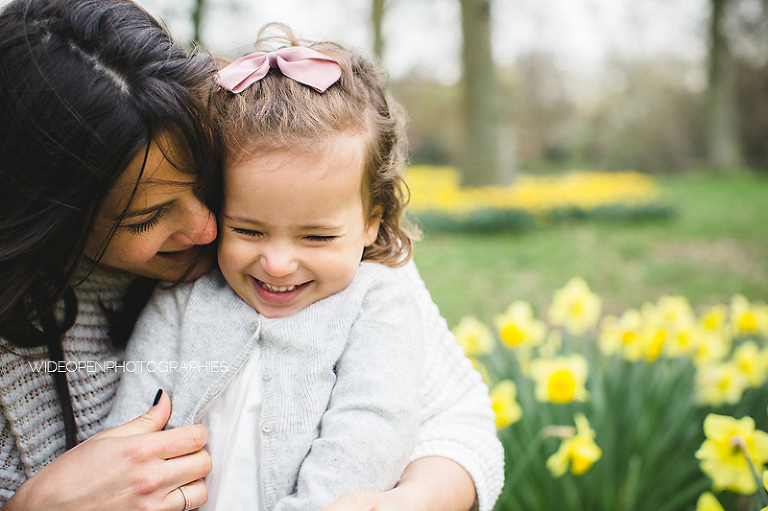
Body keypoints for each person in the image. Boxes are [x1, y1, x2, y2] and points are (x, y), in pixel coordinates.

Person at [0, 0, 502, 509]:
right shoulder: (181, 300)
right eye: (146, 217)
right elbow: (137, 426)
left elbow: (450, 426)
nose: (206, 228)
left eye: (207, 184)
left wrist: (411, 499)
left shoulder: (344, 245)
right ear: (51, 225)